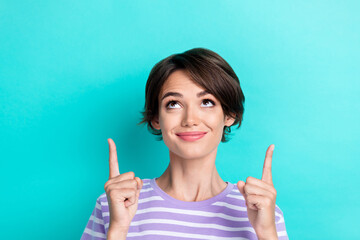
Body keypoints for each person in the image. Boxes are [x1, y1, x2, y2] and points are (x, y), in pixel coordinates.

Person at [81, 48, 289, 240]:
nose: (190, 119)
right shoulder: (114, 204)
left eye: (207, 102)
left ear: (229, 115)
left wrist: (266, 232)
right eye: (174, 104)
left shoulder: (262, 210)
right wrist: (118, 229)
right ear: (156, 118)